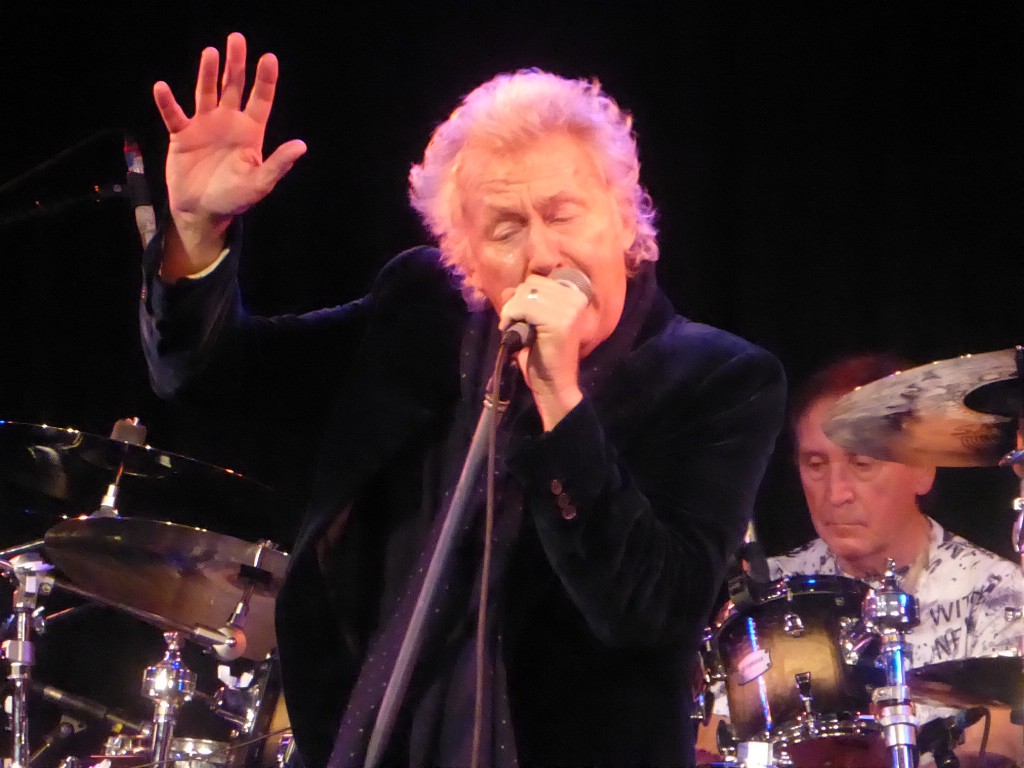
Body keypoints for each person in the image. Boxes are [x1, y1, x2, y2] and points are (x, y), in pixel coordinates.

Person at [141, 33, 786, 768]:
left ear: (624, 218)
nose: (543, 254)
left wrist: (559, 398)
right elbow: (215, 382)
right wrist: (198, 232)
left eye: (564, 213)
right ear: (466, 259)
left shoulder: (718, 380)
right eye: (507, 229)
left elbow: (649, 612)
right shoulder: (422, 312)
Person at [697, 353, 1024, 768]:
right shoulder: (769, 594)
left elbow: (1006, 743)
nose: (836, 493)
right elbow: (713, 738)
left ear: (923, 470)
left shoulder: (998, 591)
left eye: (862, 464)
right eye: (816, 464)